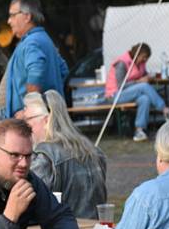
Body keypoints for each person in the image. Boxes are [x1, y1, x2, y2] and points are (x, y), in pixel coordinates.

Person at [22, 90, 108, 219]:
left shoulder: (44, 157)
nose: (25, 126)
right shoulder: (94, 151)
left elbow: (29, 205)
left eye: (27, 120)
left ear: (46, 120)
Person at [1, 0, 68, 119]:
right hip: (41, 117)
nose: (9, 21)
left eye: (12, 15)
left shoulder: (32, 42)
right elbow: (63, 70)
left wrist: (29, 109)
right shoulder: (42, 39)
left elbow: (36, 73)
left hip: (30, 120)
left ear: (27, 16)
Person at [105, 43, 169, 142]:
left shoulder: (140, 63)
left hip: (130, 93)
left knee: (145, 99)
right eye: (144, 57)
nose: (145, 60)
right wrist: (139, 82)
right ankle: (165, 109)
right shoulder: (121, 63)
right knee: (143, 86)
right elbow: (121, 85)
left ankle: (139, 131)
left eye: (147, 58)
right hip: (114, 95)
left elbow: (143, 76)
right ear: (138, 54)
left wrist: (149, 76)